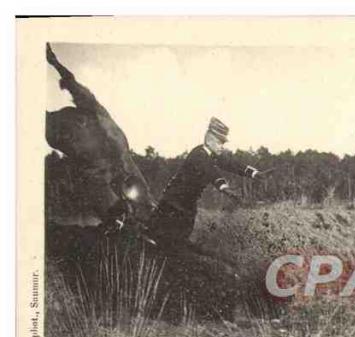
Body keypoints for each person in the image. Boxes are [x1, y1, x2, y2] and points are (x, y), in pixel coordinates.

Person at [45, 43, 157, 228]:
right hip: (89, 163)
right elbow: (75, 87)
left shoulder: (112, 135)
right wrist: (56, 64)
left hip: (108, 166)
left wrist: (56, 63)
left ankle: (134, 218)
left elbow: (74, 85)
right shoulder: (89, 124)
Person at [148, 117, 264, 245]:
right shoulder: (199, 155)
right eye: (220, 142)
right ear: (209, 140)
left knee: (177, 244)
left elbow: (231, 164)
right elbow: (210, 171)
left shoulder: (211, 155)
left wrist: (254, 173)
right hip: (172, 205)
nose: (222, 147)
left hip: (187, 206)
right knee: (162, 241)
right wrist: (224, 188)